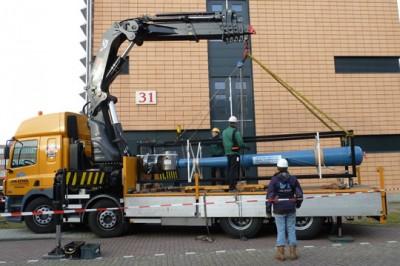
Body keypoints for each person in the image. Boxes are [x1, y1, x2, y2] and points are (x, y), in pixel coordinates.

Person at [266, 158, 303, 261]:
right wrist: (298, 204)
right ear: (287, 168)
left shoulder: (274, 180)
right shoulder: (293, 179)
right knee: (291, 229)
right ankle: (293, 253)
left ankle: (281, 254)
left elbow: (270, 195)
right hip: (291, 208)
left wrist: (268, 210)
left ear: (278, 168)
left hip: (278, 209)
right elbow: (299, 194)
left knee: (281, 230)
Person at [222, 116, 246, 191]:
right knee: (234, 170)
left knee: (229, 170)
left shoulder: (224, 131)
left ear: (229, 122)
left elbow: (223, 142)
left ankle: (230, 185)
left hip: (228, 153)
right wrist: (246, 146)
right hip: (235, 153)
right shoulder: (236, 132)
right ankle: (232, 187)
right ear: (235, 123)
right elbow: (240, 143)